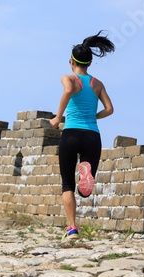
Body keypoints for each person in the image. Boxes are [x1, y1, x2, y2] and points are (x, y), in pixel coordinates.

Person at [50, 31, 115, 241]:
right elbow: (110, 109)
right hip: (92, 135)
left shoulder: (68, 77)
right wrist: (93, 116)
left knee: (67, 184)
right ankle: (85, 173)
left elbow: (68, 90)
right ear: (89, 63)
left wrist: (58, 117)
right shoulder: (97, 83)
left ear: (72, 61)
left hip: (70, 134)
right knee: (84, 191)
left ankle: (72, 228)